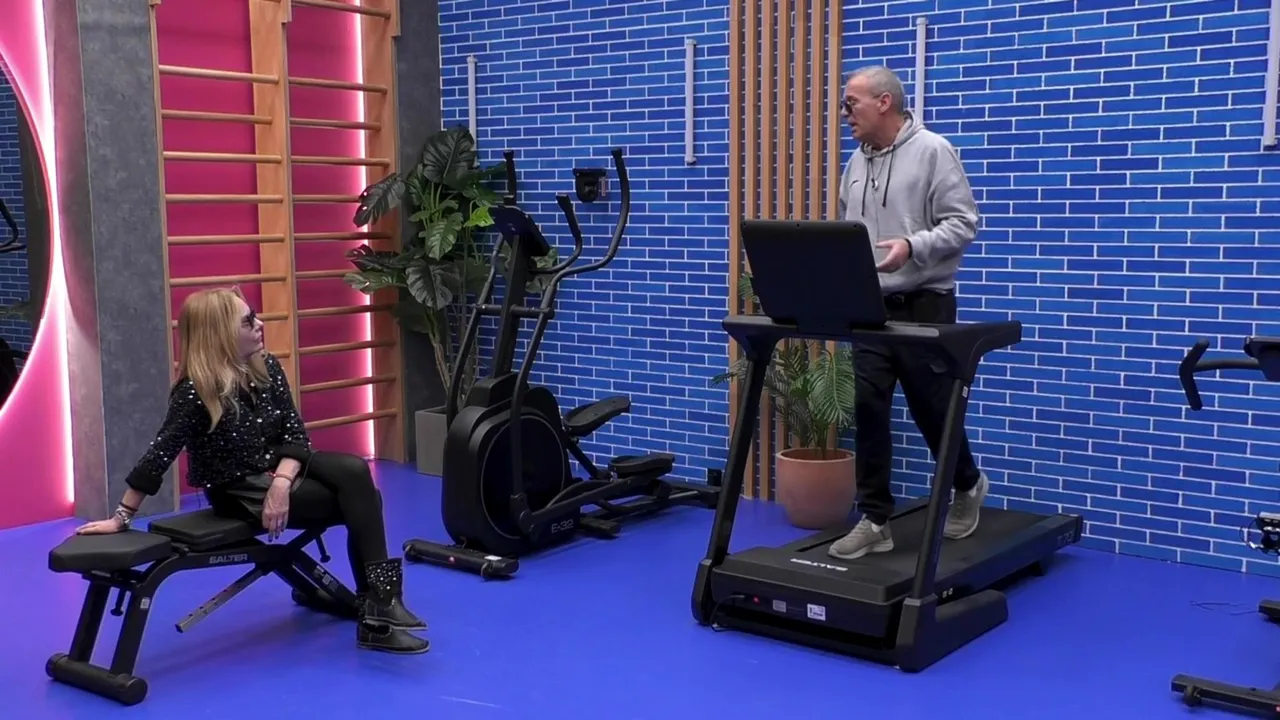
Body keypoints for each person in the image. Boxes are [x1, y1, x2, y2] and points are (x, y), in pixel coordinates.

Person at [73, 286, 429, 655]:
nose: (259, 325)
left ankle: (380, 606)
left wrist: (281, 484)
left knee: (355, 472)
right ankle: (378, 611)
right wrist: (121, 517)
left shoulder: (267, 367)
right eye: (248, 322)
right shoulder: (195, 391)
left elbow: (295, 435)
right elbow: (159, 454)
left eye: (255, 316)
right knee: (366, 500)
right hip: (239, 488)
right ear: (221, 334)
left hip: (281, 468)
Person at [828, 65, 991, 561]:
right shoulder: (855, 162)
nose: (844, 113)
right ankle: (875, 519)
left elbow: (964, 223)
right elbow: (849, 229)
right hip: (870, 307)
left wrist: (912, 245)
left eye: (851, 103)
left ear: (884, 102)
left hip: (925, 304)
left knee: (933, 410)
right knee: (869, 408)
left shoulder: (933, 151)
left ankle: (967, 483)